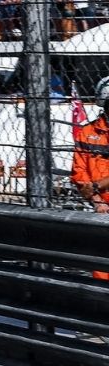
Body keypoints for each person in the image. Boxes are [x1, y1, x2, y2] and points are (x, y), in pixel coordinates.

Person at [71, 75, 109, 280]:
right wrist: (96, 201)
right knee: (102, 267)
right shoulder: (87, 133)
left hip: (99, 197)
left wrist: (96, 186)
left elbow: (88, 182)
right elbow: (79, 172)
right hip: (101, 209)